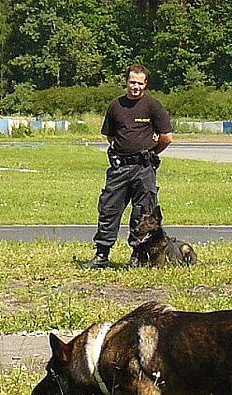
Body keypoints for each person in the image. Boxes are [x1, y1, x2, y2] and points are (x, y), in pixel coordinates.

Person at [81, 64, 173, 269]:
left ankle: (137, 257)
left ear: (145, 84)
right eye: (132, 82)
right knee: (109, 210)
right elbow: (110, 136)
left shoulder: (153, 106)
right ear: (126, 81)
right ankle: (101, 255)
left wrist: (150, 154)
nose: (135, 87)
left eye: (140, 83)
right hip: (119, 168)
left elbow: (166, 138)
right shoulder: (116, 106)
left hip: (144, 169)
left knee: (143, 213)